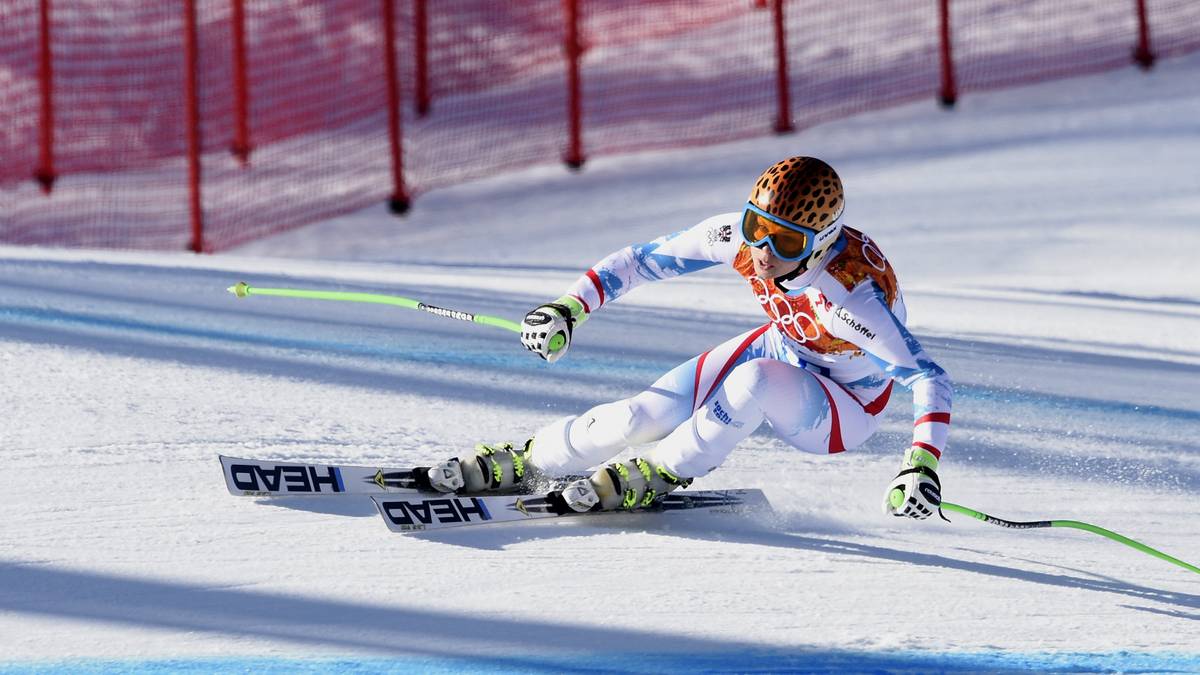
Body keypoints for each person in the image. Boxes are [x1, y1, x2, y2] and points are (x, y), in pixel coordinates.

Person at [423, 156, 952, 520]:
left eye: (786, 241)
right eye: (756, 227)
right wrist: (568, 307)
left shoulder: (849, 298)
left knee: (755, 379)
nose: (763, 252)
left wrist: (920, 464)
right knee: (637, 417)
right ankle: (532, 461)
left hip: (845, 407)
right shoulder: (741, 240)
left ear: (820, 244)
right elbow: (639, 261)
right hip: (784, 345)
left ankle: (661, 470)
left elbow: (927, 378)